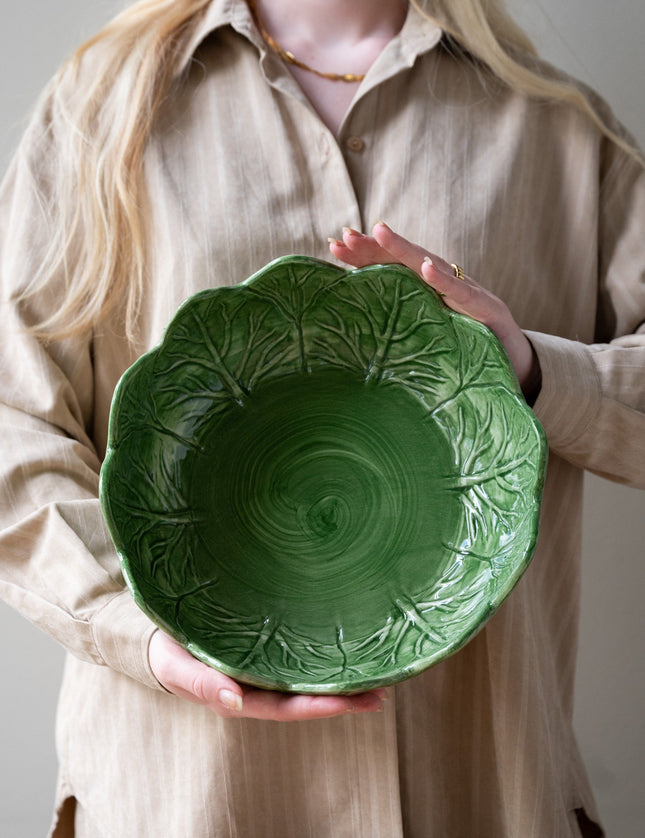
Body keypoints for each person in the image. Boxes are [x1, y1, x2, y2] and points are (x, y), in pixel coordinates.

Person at [0, 0, 643, 835]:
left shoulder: (556, 125)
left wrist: (526, 364)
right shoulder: (101, 108)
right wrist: (139, 632)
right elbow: (11, 420)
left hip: (486, 791)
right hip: (186, 796)